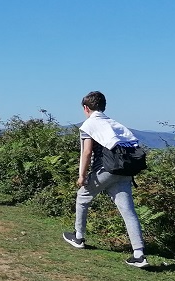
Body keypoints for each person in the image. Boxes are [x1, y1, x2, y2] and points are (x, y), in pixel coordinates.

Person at [62, 91, 149, 268]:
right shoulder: (115, 124)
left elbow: (86, 153)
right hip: (125, 170)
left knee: (83, 196)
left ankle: (78, 237)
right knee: (128, 211)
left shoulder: (89, 124)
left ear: (86, 108)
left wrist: (82, 176)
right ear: (103, 107)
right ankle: (139, 255)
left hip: (106, 169)